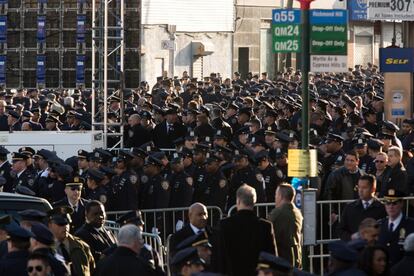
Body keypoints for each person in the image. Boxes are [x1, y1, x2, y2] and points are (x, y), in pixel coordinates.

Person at [214, 184, 277, 276]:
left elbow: (219, 256)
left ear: (238, 201)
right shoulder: (265, 226)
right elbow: (271, 257)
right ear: (254, 201)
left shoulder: (224, 225)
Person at [47, 206, 95, 276]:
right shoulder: (44, 248)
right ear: (50, 225)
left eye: (67, 223)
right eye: (61, 224)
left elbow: (93, 271)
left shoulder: (82, 247)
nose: (65, 227)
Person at [94, 224, 158, 276]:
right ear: (134, 242)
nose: (142, 244)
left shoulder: (102, 264)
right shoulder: (142, 266)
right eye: (140, 240)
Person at [338, 174, 386, 241]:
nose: (360, 190)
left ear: (373, 189)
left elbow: (385, 231)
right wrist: (351, 237)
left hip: (373, 248)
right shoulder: (349, 208)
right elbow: (341, 230)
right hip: (354, 247)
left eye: (364, 188)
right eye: (359, 187)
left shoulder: (382, 208)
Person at [267, 183, 303, 268]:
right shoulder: (297, 212)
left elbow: (268, 233)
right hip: (296, 257)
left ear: (280, 196)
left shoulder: (278, 213)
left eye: (276, 194)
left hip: (282, 259)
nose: (275, 197)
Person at [377, 189, 414, 266]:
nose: (391, 206)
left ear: (401, 204)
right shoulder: (379, 224)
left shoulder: (411, 225)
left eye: (394, 203)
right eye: (388, 203)